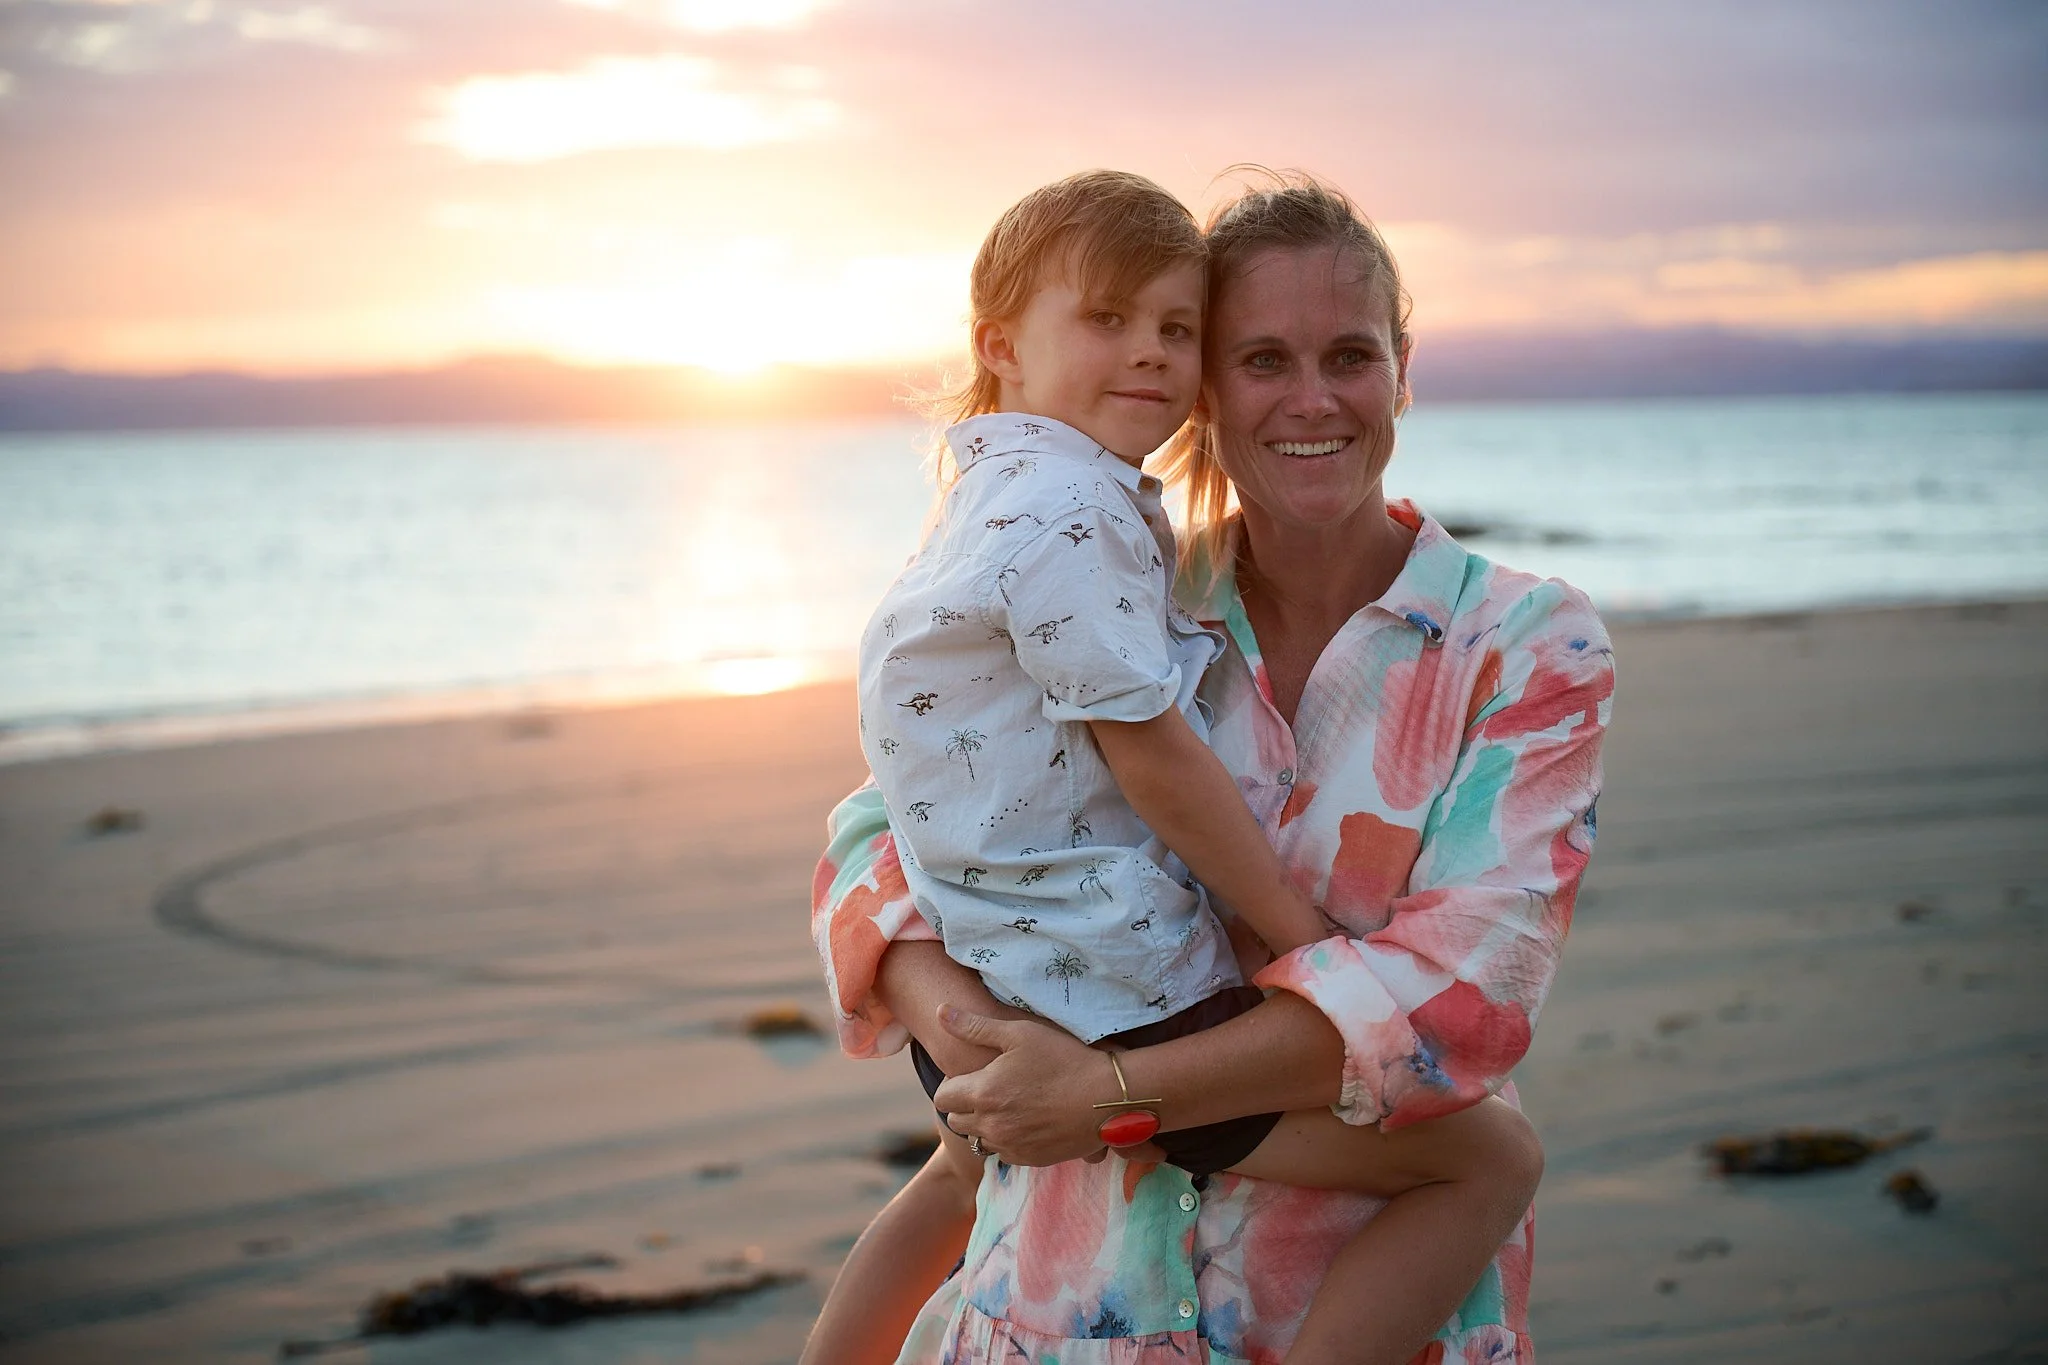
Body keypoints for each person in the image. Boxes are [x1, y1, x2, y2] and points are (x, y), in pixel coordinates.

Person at [809, 171, 1614, 1365]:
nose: (1309, 399)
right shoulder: (1114, 589)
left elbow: (1464, 1002)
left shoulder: (1522, 645)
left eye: (1348, 355)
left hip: (1330, 1316)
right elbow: (879, 841)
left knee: (1485, 1158)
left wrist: (1105, 1091)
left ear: (1400, 365)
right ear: (1204, 390)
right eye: (1257, 359)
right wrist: (974, 1037)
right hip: (1055, 1317)